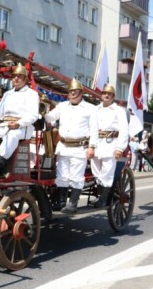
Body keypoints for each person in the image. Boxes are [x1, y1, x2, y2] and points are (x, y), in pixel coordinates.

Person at [44, 78, 98, 214]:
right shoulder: (62, 106)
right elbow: (50, 117)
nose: (72, 93)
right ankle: (61, 203)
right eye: (71, 91)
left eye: (75, 91)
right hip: (63, 146)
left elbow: (94, 129)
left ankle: (73, 204)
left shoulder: (91, 109)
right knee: (62, 175)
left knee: (76, 177)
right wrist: (41, 109)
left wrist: (92, 147)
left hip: (80, 148)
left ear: (81, 93)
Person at [0, 63, 39, 175]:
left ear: (25, 79)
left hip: (23, 128)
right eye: (14, 76)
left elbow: (33, 115)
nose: (16, 78)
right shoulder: (7, 94)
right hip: (5, 125)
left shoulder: (32, 94)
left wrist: (18, 124)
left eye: (19, 76)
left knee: (12, 135)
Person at [89, 84, 129, 208]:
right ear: (101, 95)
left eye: (109, 94)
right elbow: (93, 128)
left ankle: (103, 198)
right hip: (97, 143)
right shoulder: (96, 109)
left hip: (111, 144)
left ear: (113, 96)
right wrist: (91, 145)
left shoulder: (119, 110)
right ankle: (100, 196)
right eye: (104, 93)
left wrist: (120, 148)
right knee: (96, 171)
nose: (106, 95)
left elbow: (124, 130)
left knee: (107, 171)